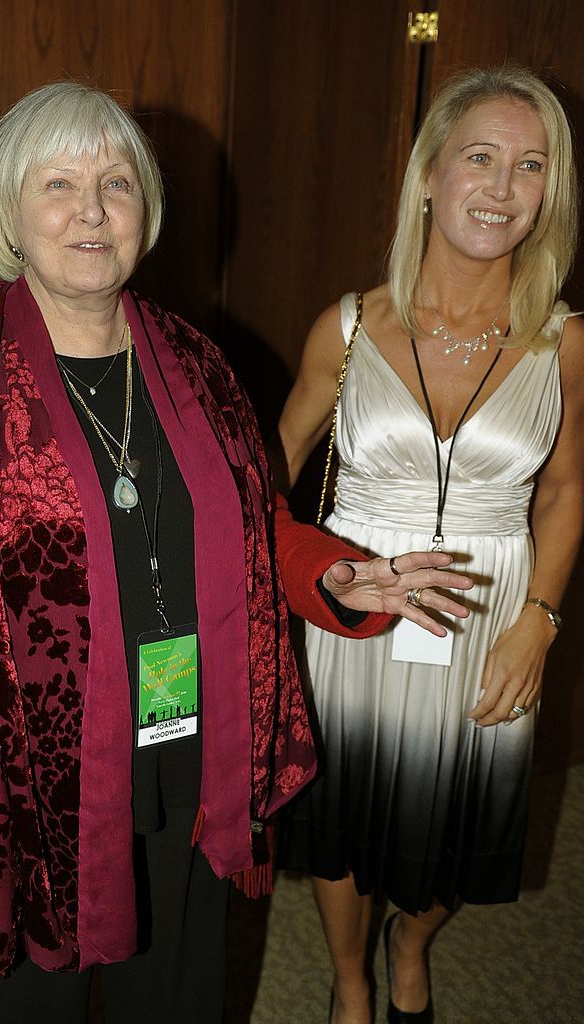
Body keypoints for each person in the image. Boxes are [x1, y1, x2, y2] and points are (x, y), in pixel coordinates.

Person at [0, 83, 471, 1024]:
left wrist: (328, 573)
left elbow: (247, 522)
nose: (92, 208)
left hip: (184, 734)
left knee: (180, 988)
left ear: (145, 210)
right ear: (9, 218)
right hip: (24, 773)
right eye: (58, 183)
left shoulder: (195, 362)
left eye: (116, 181)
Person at [276, 65, 584, 1024]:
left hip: (492, 621)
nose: (500, 187)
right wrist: (315, 580)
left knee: (462, 824)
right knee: (343, 817)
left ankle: (411, 941)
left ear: (548, 194)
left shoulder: (564, 341)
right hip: (357, 616)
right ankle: (352, 978)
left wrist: (538, 622)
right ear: (427, 175)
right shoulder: (349, 325)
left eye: (528, 166)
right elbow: (262, 477)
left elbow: (568, 488)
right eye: (478, 158)